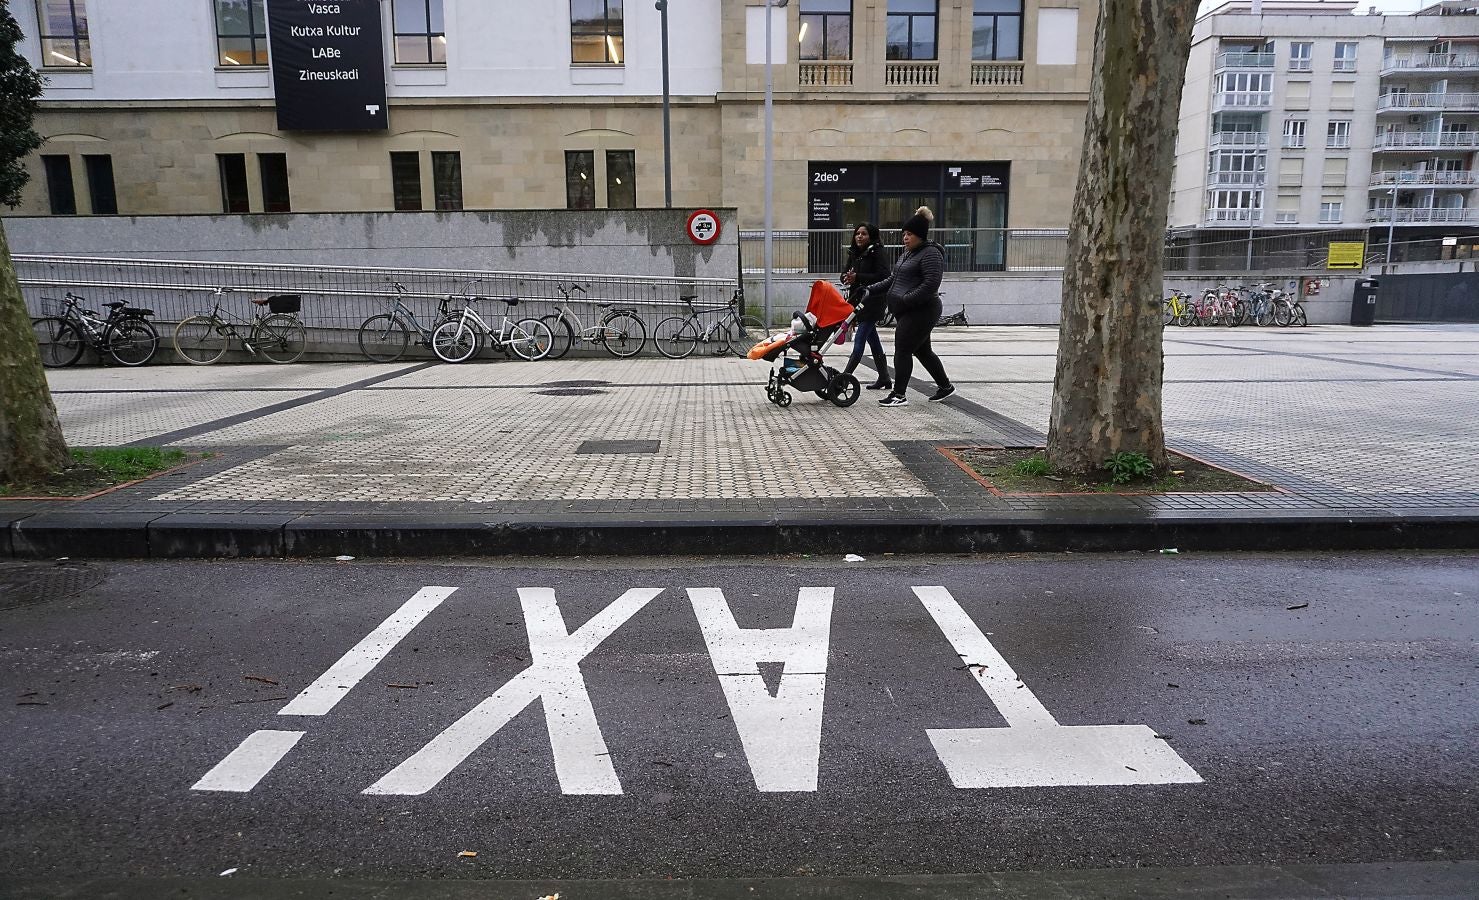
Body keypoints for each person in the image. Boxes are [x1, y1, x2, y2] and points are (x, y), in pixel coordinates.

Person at [861, 206, 954, 406]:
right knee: (922, 351)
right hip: (907, 310)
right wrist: (870, 289)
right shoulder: (907, 254)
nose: (905, 238)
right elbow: (893, 279)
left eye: (909, 234)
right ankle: (945, 387)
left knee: (902, 348)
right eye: (904, 234)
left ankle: (899, 395)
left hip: (922, 310)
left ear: (920, 235)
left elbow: (931, 284)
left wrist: (907, 299)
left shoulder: (930, 253)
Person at [840, 223, 892, 390]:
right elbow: (845, 272)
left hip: (874, 300)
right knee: (873, 340)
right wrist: (846, 278)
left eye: (864, 234)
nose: (859, 236)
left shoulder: (878, 252)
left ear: (871, 236)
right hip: (859, 300)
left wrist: (858, 277)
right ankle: (884, 377)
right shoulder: (854, 252)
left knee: (860, 339)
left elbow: (884, 276)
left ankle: (845, 379)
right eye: (857, 233)